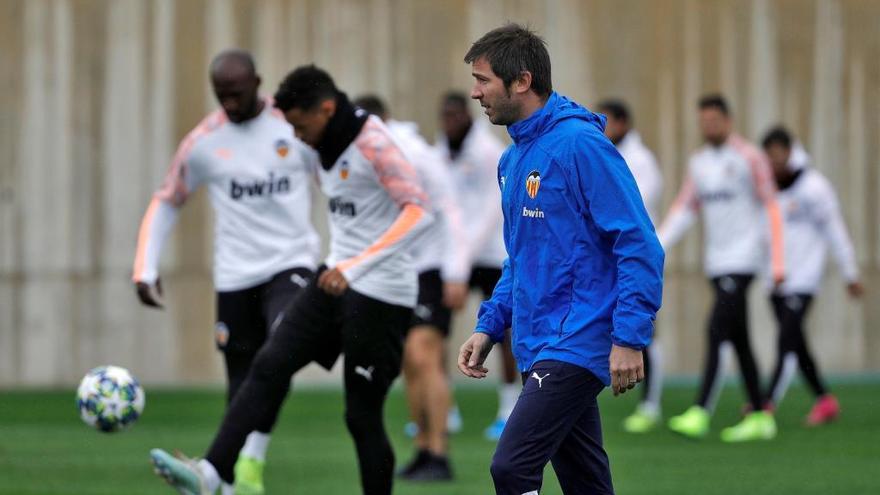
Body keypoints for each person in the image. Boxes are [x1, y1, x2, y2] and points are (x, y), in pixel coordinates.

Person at [149, 65, 433, 495]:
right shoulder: (319, 140)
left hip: (382, 294)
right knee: (268, 365)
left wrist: (354, 268)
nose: (295, 137)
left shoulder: (373, 143)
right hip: (332, 279)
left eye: (300, 127)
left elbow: (419, 211)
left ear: (325, 109)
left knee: (361, 417)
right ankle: (212, 473)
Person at [456, 24, 664, 495]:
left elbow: (639, 243)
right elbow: (521, 257)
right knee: (586, 484)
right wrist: (490, 325)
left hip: (577, 339)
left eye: (484, 80)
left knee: (511, 468)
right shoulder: (512, 160)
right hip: (536, 339)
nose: (475, 92)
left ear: (522, 81)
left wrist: (630, 336)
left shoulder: (581, 146)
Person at [132, 50, 319, 495]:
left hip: (291, 262)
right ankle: (232, 481)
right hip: (235, 275)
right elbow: (167, 199)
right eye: (221, 96)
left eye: (236, 94)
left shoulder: (292, 125)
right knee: (242, 380)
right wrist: (145, 266)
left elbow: (333, 175)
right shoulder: (203, 143)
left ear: (258, 82)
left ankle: (248, 462)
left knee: (278, 353)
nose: (229, 104)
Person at [353, 94, 467, 481]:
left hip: (432, 269)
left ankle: (440, 452)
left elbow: (451, 210)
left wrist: (456, 271)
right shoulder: (365, 154)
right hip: (399, 270)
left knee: (424, 356)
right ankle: (422, 448)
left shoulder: (416, 153)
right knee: (407, 361)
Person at [659, 94, 785, 442]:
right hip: (716, 263)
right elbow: (685, 208)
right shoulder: (698, 163)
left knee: (716, 330)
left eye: (715, 120)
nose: (709, 126)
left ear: (728, 121)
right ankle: (760, 414)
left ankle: (700, 411)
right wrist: (656, 246)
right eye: (704, 121)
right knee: (740, 339)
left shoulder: (750, 157)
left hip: (743, 261)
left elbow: (771, 206)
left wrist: (776, 261)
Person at [761, 126, 863, 425]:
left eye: (779, 156)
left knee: (785, 341)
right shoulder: (769, 187)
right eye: (770, 158)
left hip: (804, 280)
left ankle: (765, 405)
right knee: (798, 345)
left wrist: (850, 273)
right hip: (776, 280)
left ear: (791, 151)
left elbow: (835, 230)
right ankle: (825, 400)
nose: (775, 163)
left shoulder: (815, 187)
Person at [436, 90, 520, 441]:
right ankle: (444, 408)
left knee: (504, 333)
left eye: (455, 116)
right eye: (445, 117)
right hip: (457, 255)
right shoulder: (441, 150)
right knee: (435, 328)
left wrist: (465, 252)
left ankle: (509, 407)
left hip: (488, 253)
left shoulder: (487, 150)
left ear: (467, 117)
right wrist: (454, 254)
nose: (449, 123)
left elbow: (492, 208)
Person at [598, 99, 664, 433]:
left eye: (606, 121)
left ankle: (650, 404)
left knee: (645, 331)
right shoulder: (604, 154)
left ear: (622, 122)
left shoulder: (640, 161)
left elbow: (638, 212)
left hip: (636, 258)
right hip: (613, 257)